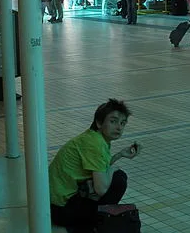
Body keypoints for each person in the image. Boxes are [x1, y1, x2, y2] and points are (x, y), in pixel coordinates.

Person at [49, 99, 140, 231]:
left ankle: (94, 219)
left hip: (55, 205)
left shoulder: (93, 138)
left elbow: (99, 167)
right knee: (118, 180)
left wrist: (119, 155)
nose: (119, 127)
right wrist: (112, 169)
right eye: (113, 121)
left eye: (122, 123)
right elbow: (101, 189)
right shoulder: (95, 144)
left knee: (115, 176)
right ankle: (95, 222)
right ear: (99, 122)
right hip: (62, 211)